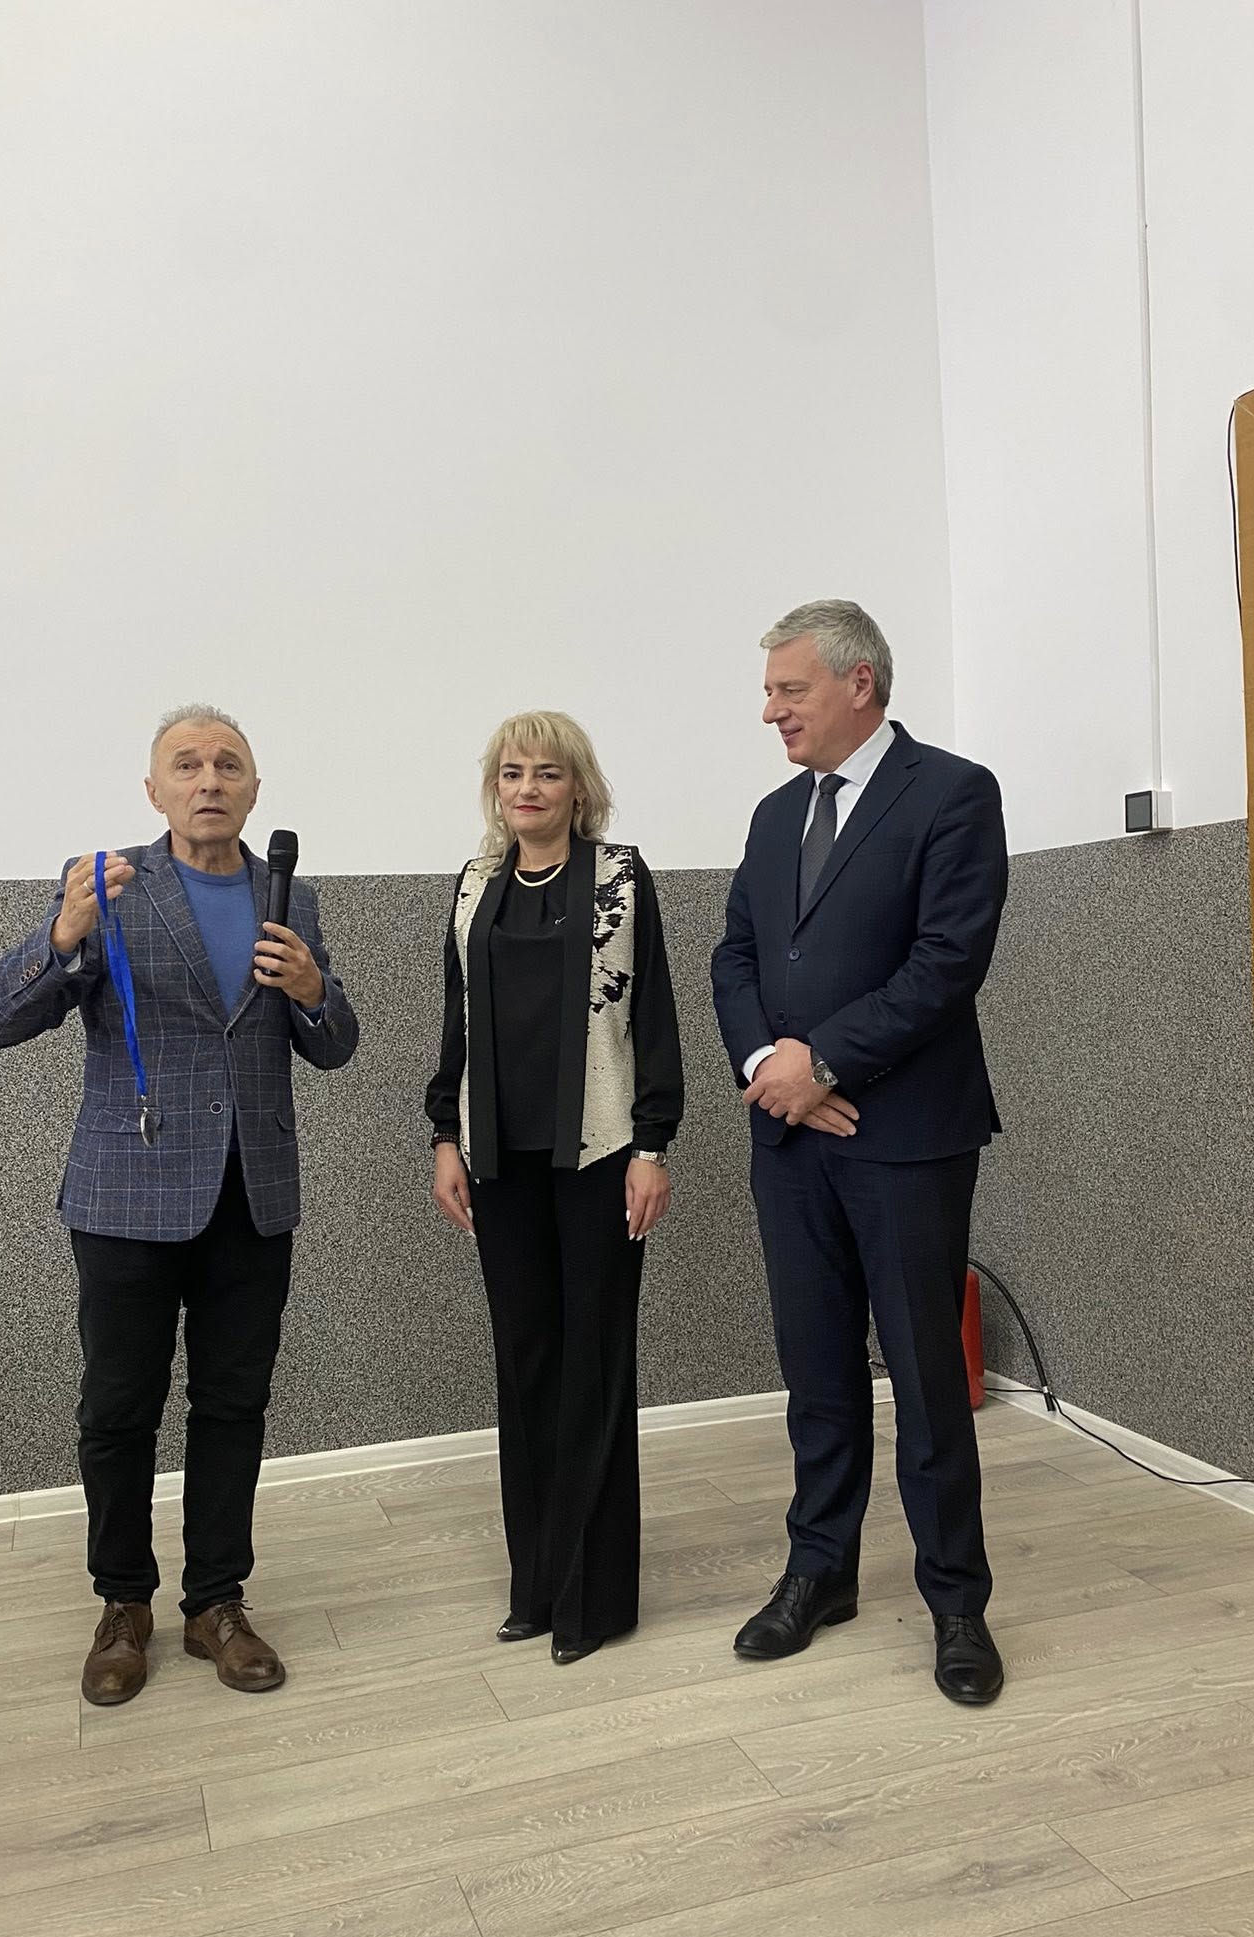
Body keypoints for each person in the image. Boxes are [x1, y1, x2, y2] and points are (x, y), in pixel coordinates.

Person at [0, 706, 358, 1706]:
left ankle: (215, 1601)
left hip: (252, 1193)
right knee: (118, 1407)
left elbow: (334, 1045)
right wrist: (63, 932)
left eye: (228, 764)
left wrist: (314, 989)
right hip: (126, 1191)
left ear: (255, 788)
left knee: (234, 1404)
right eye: (186, 764)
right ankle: (123, 1602)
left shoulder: (291, 896)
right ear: (155, 790)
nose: (208, 779)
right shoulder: (106, 886)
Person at [711, 600, 1009, 1706]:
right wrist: (769, 1068)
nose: (771, 711)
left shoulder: (953, 793)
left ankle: (957, 1603)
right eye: (771, 691)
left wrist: (824, 1064)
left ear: (859, 683)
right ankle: (819, 1571)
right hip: (789, 1137)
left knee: (927, 1376)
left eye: (789, 689)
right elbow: (736, 956)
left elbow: (946, 962)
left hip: (907, 1139)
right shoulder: (773, 814)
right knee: (817, 1368)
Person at [426, 711, 683, 1665]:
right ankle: (534, 1586)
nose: (527, 789)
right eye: (512, 773)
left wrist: (653, 1144)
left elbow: (653, 1014)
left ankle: (595, 1599)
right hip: (500, 1161)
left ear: (579, 787)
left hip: (603, 1153)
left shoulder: (620, 877)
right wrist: (444, 1136)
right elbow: (455, 1021)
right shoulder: (474, 886)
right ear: (495, 789)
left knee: (595, 1362)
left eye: (546, 773)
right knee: (526, 1360)